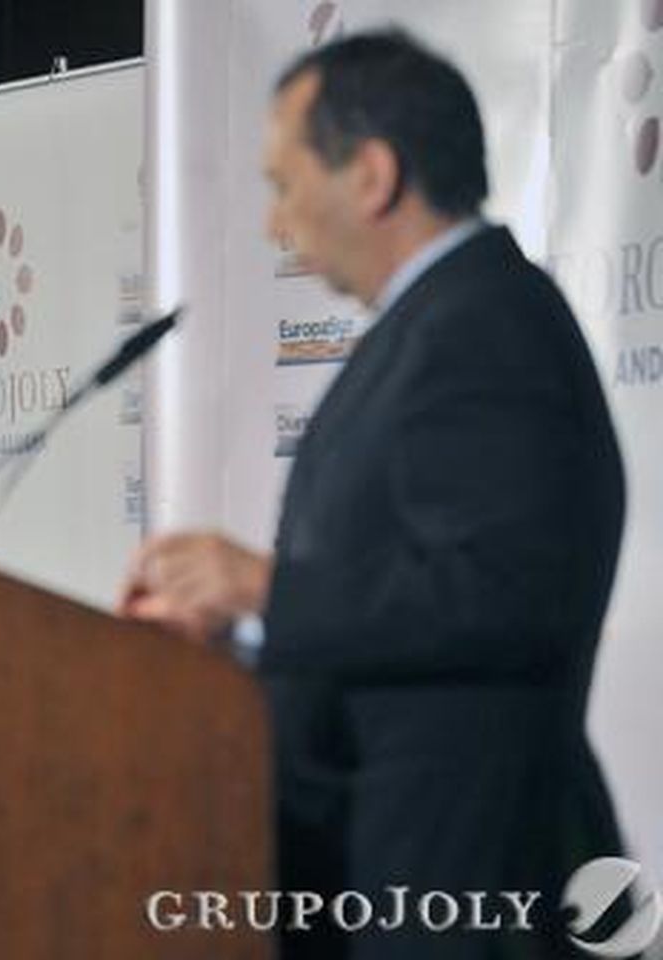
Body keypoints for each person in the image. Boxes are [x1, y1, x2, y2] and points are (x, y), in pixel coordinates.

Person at [120, 31, 626, 958]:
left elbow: (507, 596)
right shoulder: (438, 324)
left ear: (373, 175)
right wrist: (245, 636)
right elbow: (406, 599)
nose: (275, 225)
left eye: (284, 184)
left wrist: (267, 591)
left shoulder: (486, 325)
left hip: (461, 888)